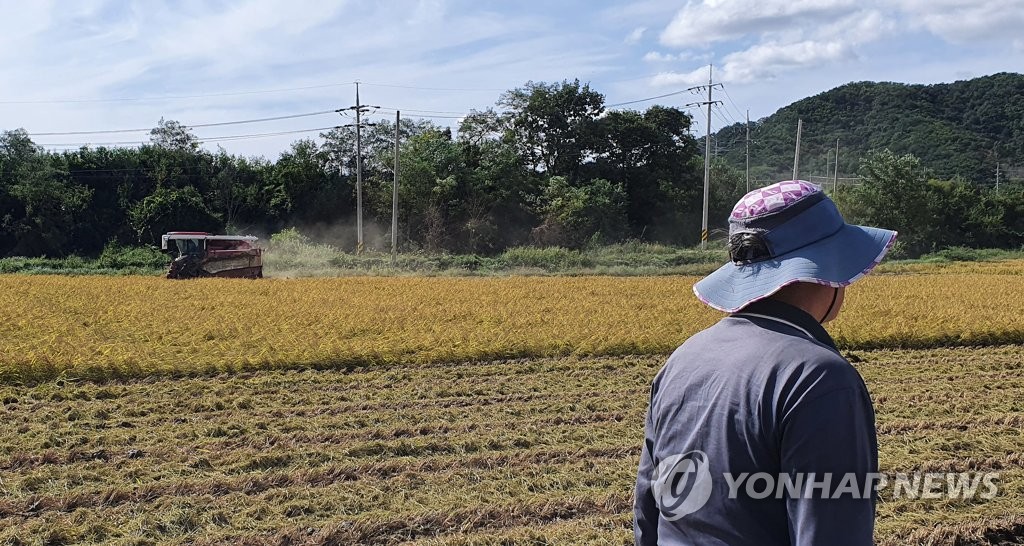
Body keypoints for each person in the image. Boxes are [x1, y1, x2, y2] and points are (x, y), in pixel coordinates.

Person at [634, 180, 897, 546]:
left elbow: (649, 505)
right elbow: (830, 532)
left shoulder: (684, 357)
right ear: (829, 267)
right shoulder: (818, 378)